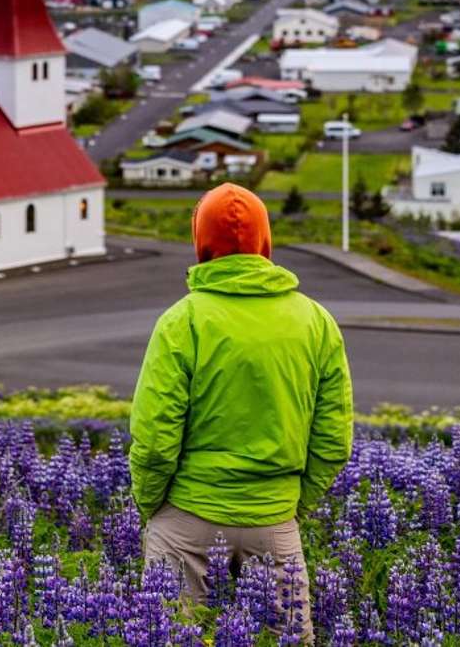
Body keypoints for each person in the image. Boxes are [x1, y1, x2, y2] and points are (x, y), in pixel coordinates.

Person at [129, 183, 352, 641]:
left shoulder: (182, 320)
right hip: (273, 519)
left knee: (170, 634)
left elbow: (154, 440)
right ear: (265, 243)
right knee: (285, 639)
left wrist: (155, 506)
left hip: (187, 514)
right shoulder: (315, 321)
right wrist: (290, 504)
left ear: (202, 243)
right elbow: (333, 441)